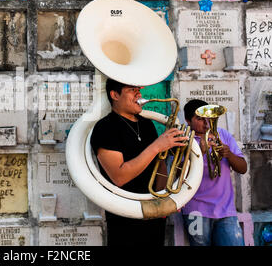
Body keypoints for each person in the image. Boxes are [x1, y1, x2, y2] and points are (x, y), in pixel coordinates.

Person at [90, 78, 188, 246]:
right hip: (124, 215)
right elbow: (119, 177)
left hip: (153, 212)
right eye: (131, 90)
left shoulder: (147, 124)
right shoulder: (105, 127)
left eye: (138, 89)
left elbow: (159, 165)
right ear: (115, 95)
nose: (139, 93)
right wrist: (157, 146)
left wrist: (164, 198)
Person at [181, 99, 247, 246]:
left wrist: (229, 154)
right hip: (195, 211)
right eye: (199, 118)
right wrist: (201, 152)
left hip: (225, 210)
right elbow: (179, 176)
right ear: (188, 121)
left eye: (208, 118)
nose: (206, 123)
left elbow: (243, 168)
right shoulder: (182, 139)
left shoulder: (223, 135)